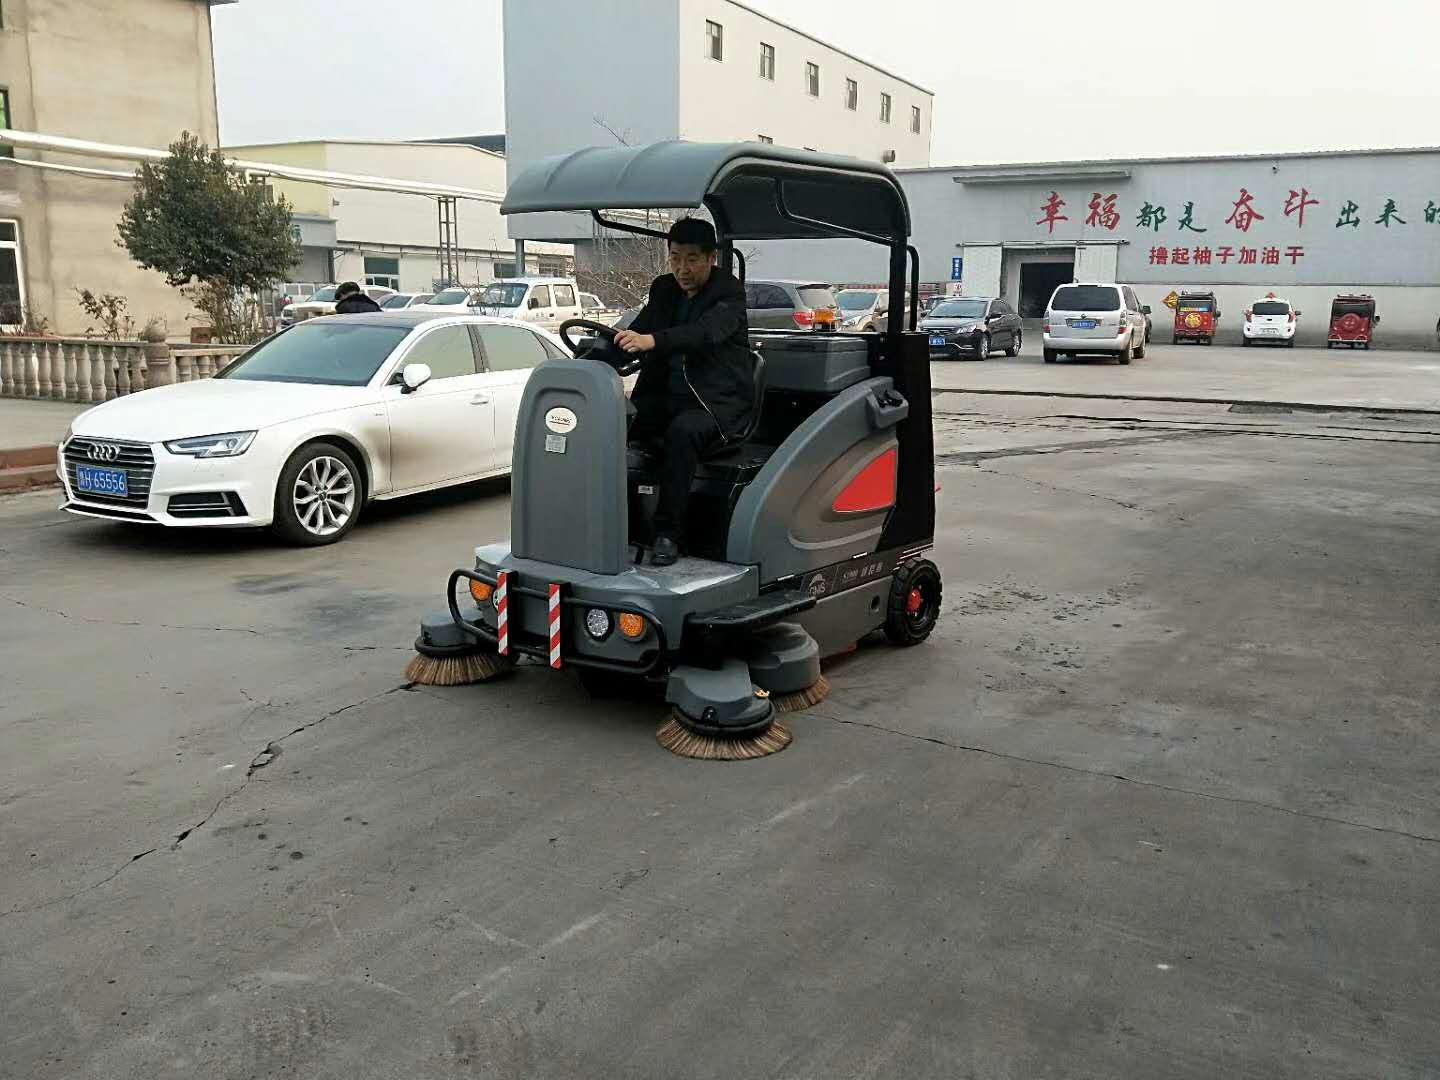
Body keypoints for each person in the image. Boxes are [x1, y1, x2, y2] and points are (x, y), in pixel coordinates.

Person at [614, 217, 754, 566]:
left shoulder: (729, 295)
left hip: (715, 403)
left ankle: (667, 534)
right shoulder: (664, 290)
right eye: (675, 258)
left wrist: (653, 341)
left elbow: (703, 334)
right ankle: (614, 521)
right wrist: (595, 356)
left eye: (692, 259)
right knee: (613, 423)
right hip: (666, 399)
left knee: (682, 432)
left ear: (711, 258)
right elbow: (637, 331)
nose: (682, 268)